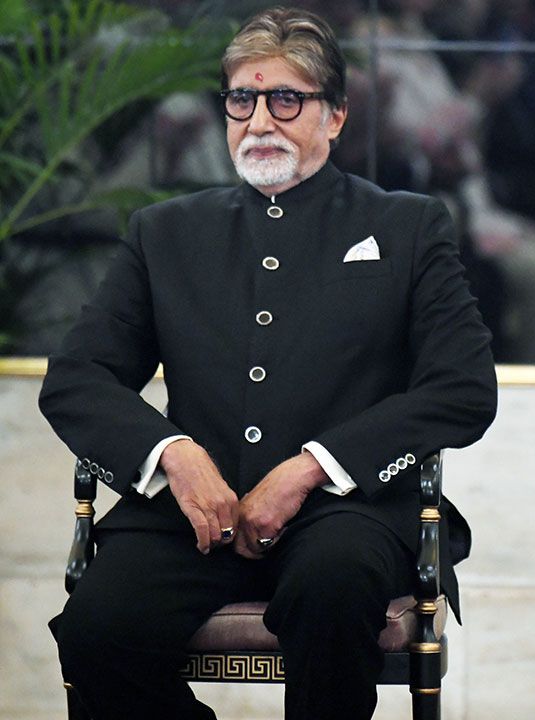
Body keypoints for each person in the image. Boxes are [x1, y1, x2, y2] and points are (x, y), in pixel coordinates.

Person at [39, 6, 497, 720]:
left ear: (336, 116)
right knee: (97, 630)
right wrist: (174, 455)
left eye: (286, 99)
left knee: (334, 591)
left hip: (348, 514)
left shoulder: (405, 227)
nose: (259, 121)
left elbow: (464, 389)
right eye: (241, 100)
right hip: (195, 513)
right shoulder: (165, 233)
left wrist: (313, 465)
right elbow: (76, 380)